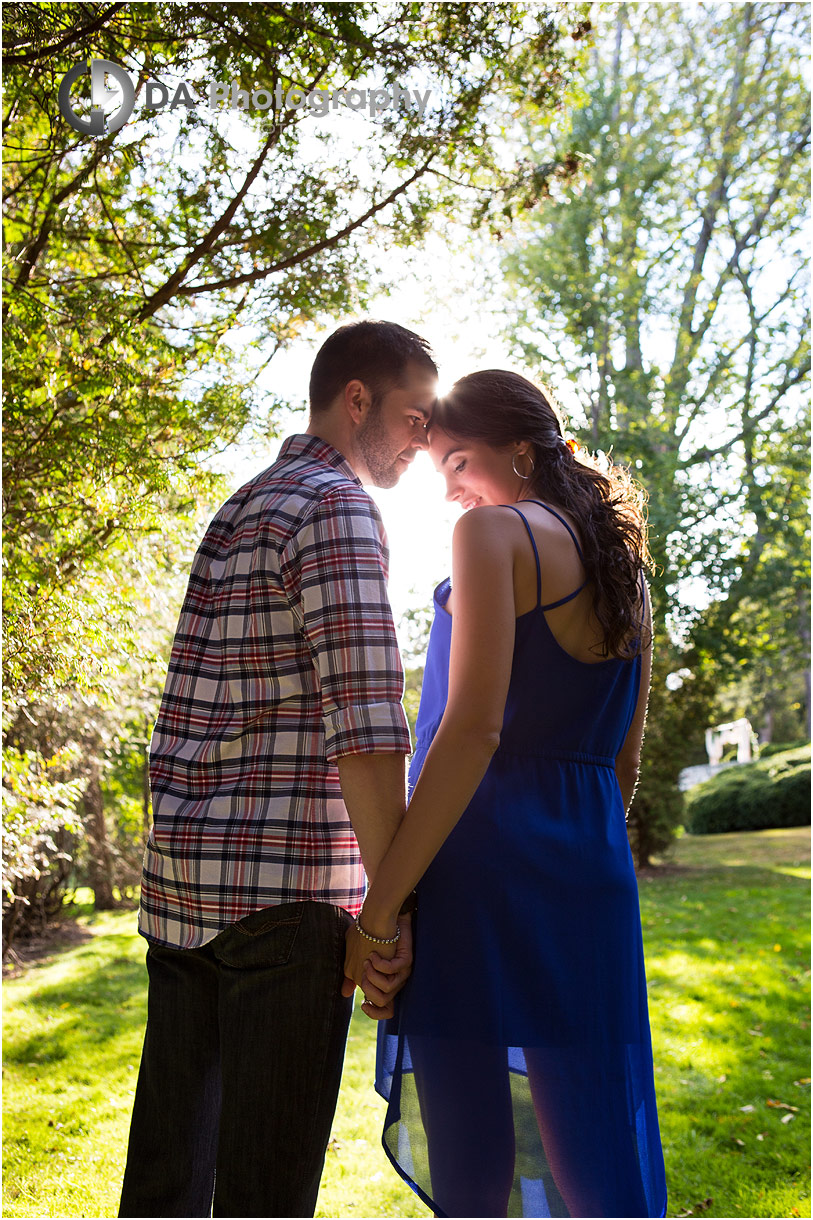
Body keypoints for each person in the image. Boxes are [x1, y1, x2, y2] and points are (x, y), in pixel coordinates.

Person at [119, 320, 438, 1218]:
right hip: (282, 904)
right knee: (266, 1195)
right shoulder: (336, 506)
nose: (423, 441)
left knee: (165, 1186)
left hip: (185, 892)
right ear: (357, 399)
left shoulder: (242, 504)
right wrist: (389, 912)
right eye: (414, 417)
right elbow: (367, 724)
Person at [345, 370, 668, 1218]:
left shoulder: (493, 535)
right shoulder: (626, 578)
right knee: (592, 1143)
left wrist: (380, 911)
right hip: (588, 876)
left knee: (474, 1159)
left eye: (456, 463)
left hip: (482, 872)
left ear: (518, 452)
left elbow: (471, 731)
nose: (449, 491)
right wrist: (579, 846)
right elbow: (621, 765)